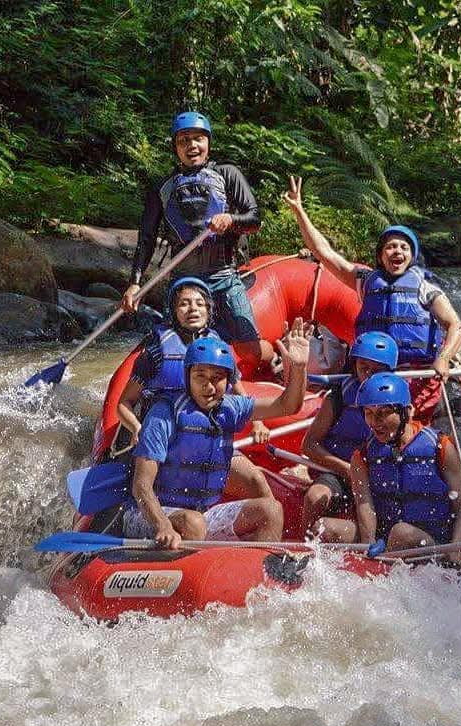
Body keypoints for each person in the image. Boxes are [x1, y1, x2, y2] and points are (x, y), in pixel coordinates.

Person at [92, 323, 311, 548]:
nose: (209, 386)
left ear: (227, 381)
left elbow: (288, 405)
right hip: (148, 516)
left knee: (271, 510)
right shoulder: (164, 414)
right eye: (200, 376)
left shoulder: (231, 407)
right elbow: (141, 486)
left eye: (217, 377)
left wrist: (299, 368)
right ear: (187, 377)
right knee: (193, 523)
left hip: (201, 515)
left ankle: (258, 573)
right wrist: (163, 526)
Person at [281, 176, 461, 419]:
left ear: (412, 256)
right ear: (381, 256)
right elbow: (323, 252)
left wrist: (443, 359)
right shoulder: (366, 281)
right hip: (372, 372)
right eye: (391, 247)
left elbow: (456, 326)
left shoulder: (425, 288)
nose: (397, 251)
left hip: (415, 375)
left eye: (403, 247)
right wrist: (299, 211)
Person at [119, 111, 274, 376]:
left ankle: (278, 357)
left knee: (251, 350)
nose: (192, 145)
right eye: (184, 140)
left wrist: (231, 219)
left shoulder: (228, 174)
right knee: (178, 351)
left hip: (224, 275)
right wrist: (135, 282)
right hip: (184, 280)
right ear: (175, 147)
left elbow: (254, 219)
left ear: (208, 142)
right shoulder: (163, 187)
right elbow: (146, 238)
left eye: (198, 139)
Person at [312, 373, 461, 563]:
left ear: (407, 412)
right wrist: (369, 543)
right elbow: (365, 506)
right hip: (385, 539)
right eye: (369, 413)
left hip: (432, 542)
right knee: (324, 527)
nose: (374, 422)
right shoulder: (362, 456)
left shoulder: (440, 446)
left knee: (402, 533)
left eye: (383, 413)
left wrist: (457, 546)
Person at [114, 276, 268, 452]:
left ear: (209, 311)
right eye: (184, 304)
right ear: (174, 312)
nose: (193, 309)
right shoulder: (155, 353)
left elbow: (240, 393)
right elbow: (123, 404)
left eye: (200, 304)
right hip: (164, 439)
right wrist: (137, 428)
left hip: (207, 436)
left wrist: (258, 423)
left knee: (255, 480)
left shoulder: (220, 351)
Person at [300, 331, 398, 537]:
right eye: (364, 368)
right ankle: (301, 549)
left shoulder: (398, 404)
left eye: (377, 371)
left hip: (377, 476)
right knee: (315, 496)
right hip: (339, 471)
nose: (368, 375)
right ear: (354, 366)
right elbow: (308, 446)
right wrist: (347, 469)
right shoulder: (338, 398)